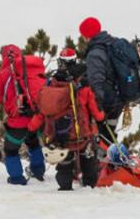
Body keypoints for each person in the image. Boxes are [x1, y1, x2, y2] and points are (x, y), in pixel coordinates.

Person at [31, 48, 105, 190]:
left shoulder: (51, 84)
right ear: (75, 60)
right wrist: (101, 116)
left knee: (64, 165)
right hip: (81, 134)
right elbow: (97, 113)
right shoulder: (83, 85)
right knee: (88, 161)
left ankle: (65, 189)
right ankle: (89, 187)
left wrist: (31, 127)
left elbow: (42, 111)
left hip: (59, 136)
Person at [0, 45, 47, 185]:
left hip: (18, 121)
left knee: (11, 149)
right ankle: (38, 170)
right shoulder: (33, 70)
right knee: (33, 141)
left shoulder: (3, 76)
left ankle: (16, 178)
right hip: (38, 117)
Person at [78, 17, 125, 182]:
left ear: (87, 35)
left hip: (106, 100)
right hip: (119, 98)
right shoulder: (112, 43)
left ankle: (107, 168)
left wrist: (96, 103)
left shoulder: (95, 53)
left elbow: (96, 80)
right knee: (110, 132)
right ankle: (115, 164)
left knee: (102, 135)